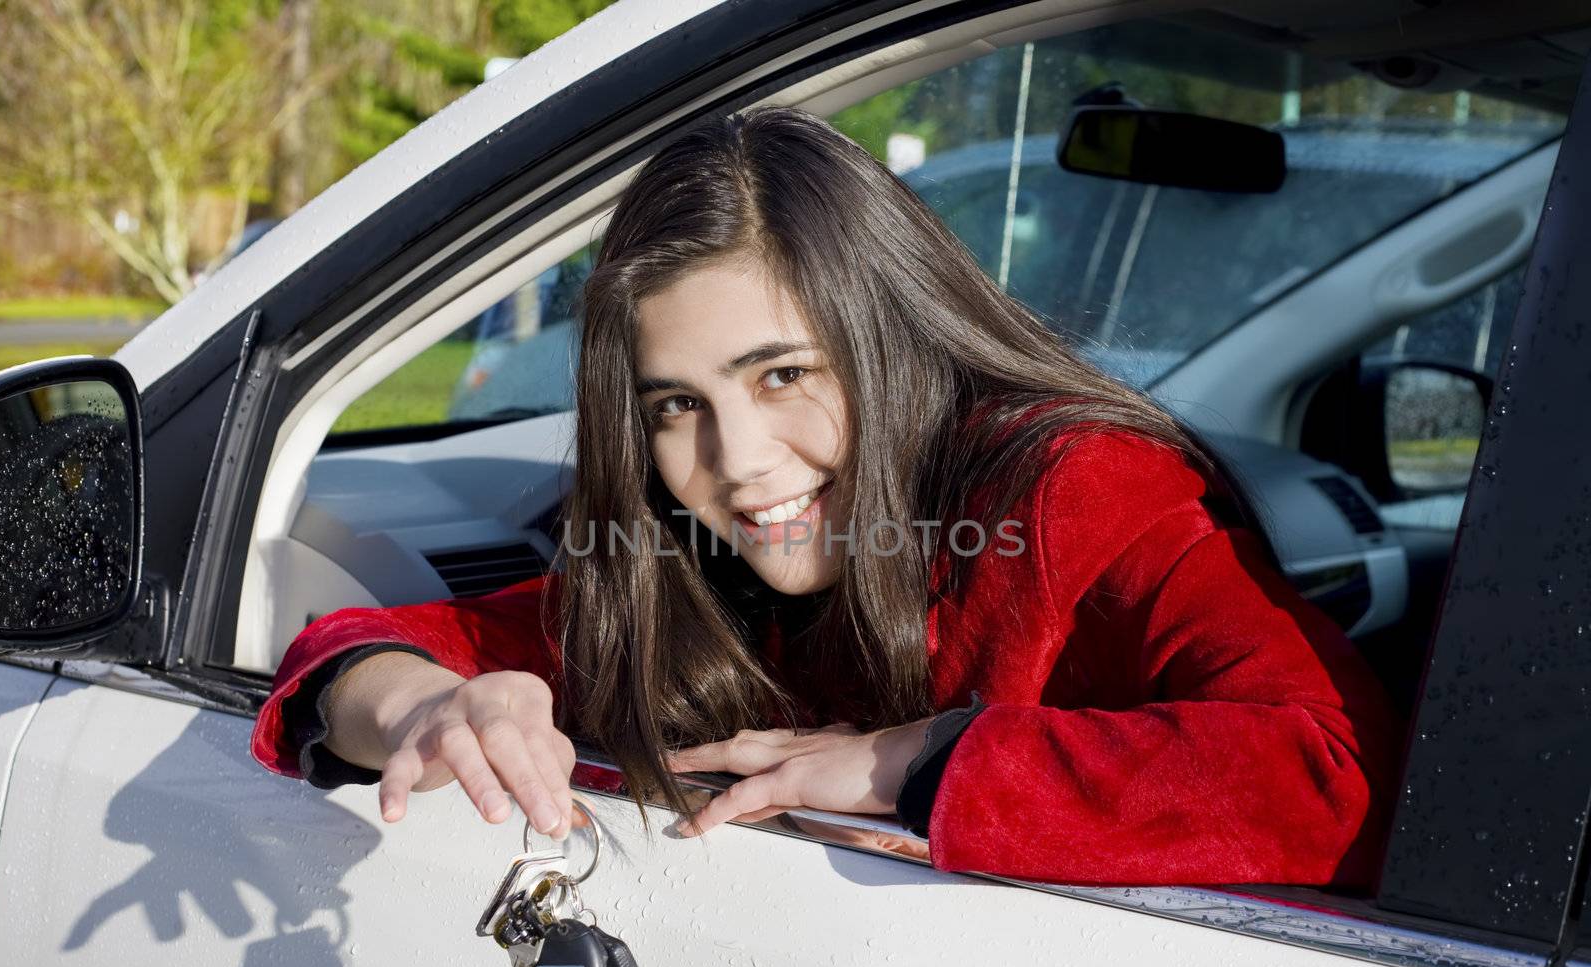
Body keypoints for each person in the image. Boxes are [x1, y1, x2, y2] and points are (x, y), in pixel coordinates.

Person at [251, 106, 1404, 890]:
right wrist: (417, 708)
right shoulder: (690, 560)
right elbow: (381, 645)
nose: (741, 460)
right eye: (673, 405)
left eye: (784, 374)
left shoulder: (1072, 491)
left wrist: (910, 759)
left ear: (894, 344)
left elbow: (1337, 773)